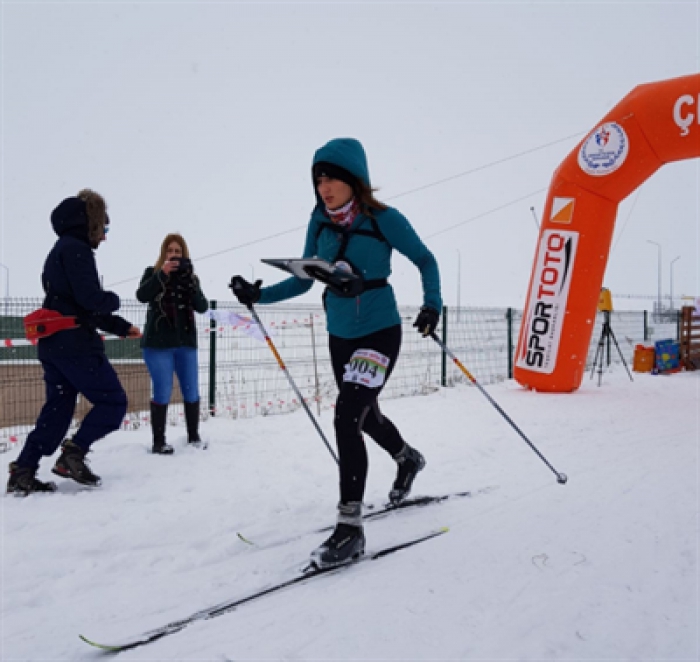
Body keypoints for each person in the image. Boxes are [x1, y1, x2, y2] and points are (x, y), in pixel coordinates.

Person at [230, 137, 442, 568]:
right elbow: (305, 278)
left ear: (354, 180)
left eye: (332, 178)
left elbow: (425, 259)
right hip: (339, 335)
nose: (324, 187)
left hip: (380, 332)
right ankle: (408, 459)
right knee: (366, 418)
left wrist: (432, 304)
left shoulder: (385, 219)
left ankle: (350, 529)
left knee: (346, 417)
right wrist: (259, 295)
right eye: (318, 179)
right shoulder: (319, 222)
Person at [7, 190, 141, 496]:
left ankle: (23, 470)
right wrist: (114, 300)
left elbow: (77, 307)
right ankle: (73, 455)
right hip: (76, 345)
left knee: (58, 408)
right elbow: (91, 300)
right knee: (113, 402)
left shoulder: (59, 250)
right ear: (91, 223)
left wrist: (121, 327)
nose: (105, 237)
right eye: (104, 228)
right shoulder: (77, 250)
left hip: (54, 344)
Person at [136, 234, 209, 454]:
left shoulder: (191, 278)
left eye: (178, 252)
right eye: (170, 251)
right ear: (163, 254)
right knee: (163, 390)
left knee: (191, 389)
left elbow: (202, 307)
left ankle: (193, 436)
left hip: (185, 342)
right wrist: (162, 275)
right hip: (158, 343)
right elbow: (142, 295)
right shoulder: (153, 273)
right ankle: (159, 442)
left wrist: (190, 283)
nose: (174, 255)